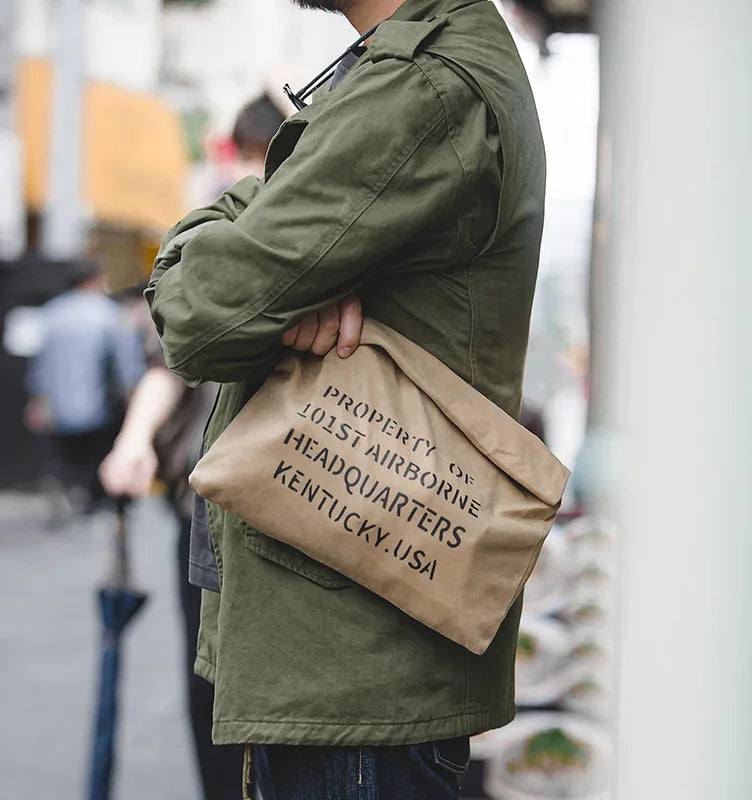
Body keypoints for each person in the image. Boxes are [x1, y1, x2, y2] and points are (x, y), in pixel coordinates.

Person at [146, 0, 546, 795]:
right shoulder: (414, 69)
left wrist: (232, 225)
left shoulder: (424, 88)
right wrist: (272, 256)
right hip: (348, 657)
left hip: (351, 674)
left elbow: (197, 317)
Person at [98, 94, 291, 800]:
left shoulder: (265, 228)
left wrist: (135, 439)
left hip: (252, 502)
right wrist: (134, 439)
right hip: (238, 501)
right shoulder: (236, 230)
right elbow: (168, 359)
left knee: (231, 692)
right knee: (222, 687)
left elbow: (165, 362)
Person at [25, 260, 144, 518]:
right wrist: (133, 395)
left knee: (66, 456)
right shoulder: (109, 313)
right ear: (93, 280)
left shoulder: (51, 313)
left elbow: (39, 363)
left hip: (59, 406)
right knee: (97, 455)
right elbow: (127, 363)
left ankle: (68, 487)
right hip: (100, 406)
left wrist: (38, 399)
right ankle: (92, 498)